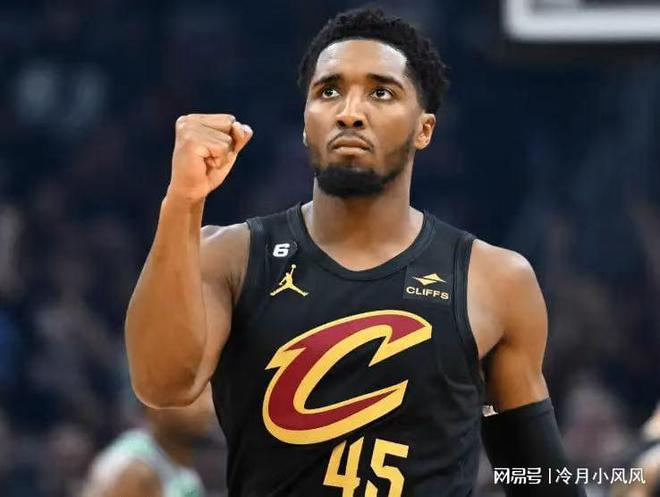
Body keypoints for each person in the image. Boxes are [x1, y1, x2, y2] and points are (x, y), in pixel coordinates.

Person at [125, 7, 586, 496]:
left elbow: (541, 479)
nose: (349, 111)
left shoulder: (495, 279)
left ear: (424, 129)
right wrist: (183, 202)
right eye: (329, 91)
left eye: (381, 92)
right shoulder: (231, 255)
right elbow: (162, 385)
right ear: (306, 123)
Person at [83, 386, 214, 497]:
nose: (207, 407)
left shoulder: (177, 458)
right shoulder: (136, 471)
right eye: (191, 396)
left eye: (206, 393)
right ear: (153, 405)